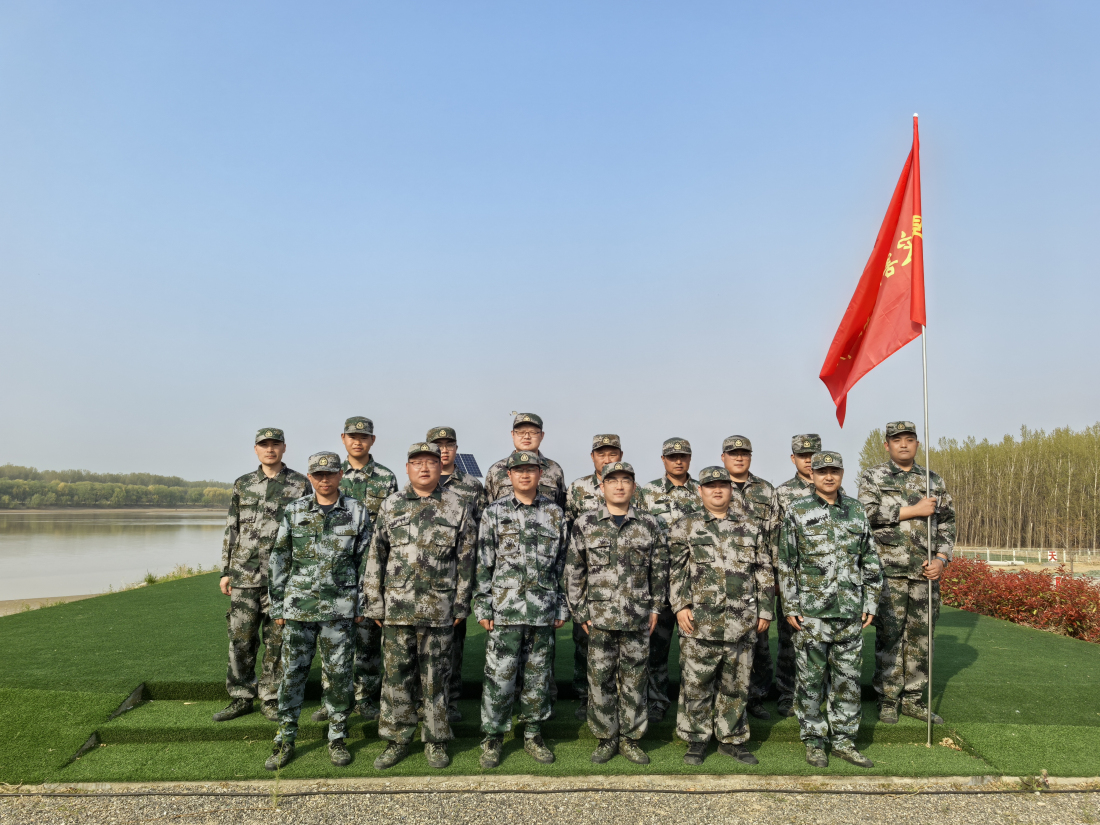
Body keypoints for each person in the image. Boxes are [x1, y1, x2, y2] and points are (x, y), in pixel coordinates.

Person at [362, 442, 477, 770]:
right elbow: (376, 555)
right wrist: (374, 603)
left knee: (436, 677)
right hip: (397, 609)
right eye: (417, 462)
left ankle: (436, 740)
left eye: (430, 462)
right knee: (396, 676)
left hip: (439, 609)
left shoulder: (457, 505)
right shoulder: (392, 504)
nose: (424, 468)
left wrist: (461, 604)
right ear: (407, 468)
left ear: (441, 467)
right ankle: (397, 739)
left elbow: (466, 559)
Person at [264, 451, 370, 770]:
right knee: (292, 674)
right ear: (310, 477)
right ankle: (285, 738)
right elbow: (280, 558)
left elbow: (366, 561)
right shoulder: (295, 510)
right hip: (300, 607)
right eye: (318, 475)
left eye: (330, 474)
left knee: (339, 676)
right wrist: (278, 604)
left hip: (340, 608)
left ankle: (337, 737)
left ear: (340, 475)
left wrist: (361, 603)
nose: (324, 480)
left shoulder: (356, 511)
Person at [777, 451, 883, 769]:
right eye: (822, 471)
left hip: (849, 612)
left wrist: (870, 601)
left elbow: (870, 559)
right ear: (812, 475)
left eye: (834, 471)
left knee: (847, 680)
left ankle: (844, 741)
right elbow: (786, 562)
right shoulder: (797, 510)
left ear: (841, 474)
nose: (828, 476)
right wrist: (790, 604)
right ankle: (814, 741)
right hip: (812, 613)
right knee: (810, 680)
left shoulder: (856, 510)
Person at [565, 461, 668, 766]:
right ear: (602, 486)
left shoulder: (649, 524)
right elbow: (574, 569)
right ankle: (606, 737)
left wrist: (655, 607)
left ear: (634, 487)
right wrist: (580, 611)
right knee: (600, 679)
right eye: (613, 480)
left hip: (637, 616)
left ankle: (631, 738)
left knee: (635, 678)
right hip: (599, 618)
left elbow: (658, 569)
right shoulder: (585, 523)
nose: (619, 486)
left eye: (625, 480)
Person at [669, 466, 771, 766]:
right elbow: (675, 571)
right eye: (710, 486)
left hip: (741, 621)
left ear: (731, 490)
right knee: (696, 683)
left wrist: (765, 609)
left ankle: (732, 739)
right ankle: (696, 739)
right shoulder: (685, 526)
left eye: (723, 485)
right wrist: (680, 606)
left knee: (736, 685)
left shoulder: (751, 526)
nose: (717, 490)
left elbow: (764, 570)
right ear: (700, 490)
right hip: (700, 622)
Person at [474, 450, 569, 768]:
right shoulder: (494, 513)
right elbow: (484, 563)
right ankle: (493, 737)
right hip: (505, 610)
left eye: (531, 469)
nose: (525, 474)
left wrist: (560, 605)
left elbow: (561, 564)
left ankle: (533, 733)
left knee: (538, 677)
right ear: (509, 475)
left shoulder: (555, 514)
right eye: (519, 470)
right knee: (499, 677)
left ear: (541, 474)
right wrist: (483, 605)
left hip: (542, 610)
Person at [857, 421, 956, 725]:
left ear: (917, 444)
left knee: (921, 638)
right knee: (890, 636)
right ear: (886, 445)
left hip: (924, 574)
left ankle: (913, 698)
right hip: (889, 573)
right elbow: (865, 514)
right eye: (896, 440)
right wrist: (912, 510)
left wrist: (941, 559)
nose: (903, 445)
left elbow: (947, 523)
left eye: (909, 440)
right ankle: (888, 698)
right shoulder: (873, 477)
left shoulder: (932, 481)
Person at [215, 428, 311, 724]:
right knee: (240, 639)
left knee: (277, 640)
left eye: (275, 444)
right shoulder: (243, 484)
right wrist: (225, 571)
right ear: (256, 449)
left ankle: (270, 697)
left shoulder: (300, 484)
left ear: (284, 448)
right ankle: (241, 696)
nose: (270, 449)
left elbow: (308, 530)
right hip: (244, 575)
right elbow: (232, 527)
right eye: (264, 445)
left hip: (282, 578)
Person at [312, 416, 398, 724]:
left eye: (364, 436)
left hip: (371, 572)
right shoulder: (331, 474)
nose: (358, 441)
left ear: (372, 440)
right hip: (334, 573)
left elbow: (391, 526)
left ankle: (365, 698)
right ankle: (333, 698)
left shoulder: (386, 478)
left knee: (367, 640)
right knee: (332, 639)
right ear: (343, 439)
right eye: (352, 436)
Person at [634, 437, 702, 723]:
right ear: (663, 459)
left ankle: (695, 706)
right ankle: (657, 702)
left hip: (695, 584)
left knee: (696, 652)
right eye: (672, 457)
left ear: (690, 458)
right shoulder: (647, 493)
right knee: (656, 650)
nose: (678, 461)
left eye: (683, 456)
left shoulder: (702, 490)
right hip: (659, 582)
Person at [429, 425, 489, 724]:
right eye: (438, 445)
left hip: (456, 577)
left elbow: (481, 532)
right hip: (421, 579)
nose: (443, 450)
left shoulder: (472, 486)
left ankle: (450, 702)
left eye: (449, 444)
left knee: (453, 645)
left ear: (456, 448)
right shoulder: (418, 482)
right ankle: (421, 702)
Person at [762, 434, 824, 718]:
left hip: (824, 580)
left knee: (822, 638)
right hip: (793, 580)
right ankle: (787, 693)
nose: (809, 461)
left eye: (813, 455)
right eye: (803, 456)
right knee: (790, 639)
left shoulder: (833, 487)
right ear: (793, 459)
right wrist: (778, 576)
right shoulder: (783, 493)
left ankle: (816, 692)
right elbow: (774, 536)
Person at [562, 433, 623, 720]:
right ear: (592, 457)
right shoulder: (578, 488)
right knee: (584, 641)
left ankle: (619, 698)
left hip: (622, 580)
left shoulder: (629, 486)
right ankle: (585, 696)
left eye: (612, 453)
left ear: (620, 456)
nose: (607, 459)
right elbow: (567, 531)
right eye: (601, 454)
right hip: (588, 580)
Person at [721, 435, 778, 721]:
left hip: (758, 576)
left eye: (744, 453)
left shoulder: (766, 490)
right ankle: (723, 699)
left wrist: (774, 578)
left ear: (751, 457)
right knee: (723, 644)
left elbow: (775, 535)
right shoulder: (714, 486)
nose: (739, 457)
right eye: (733, 454)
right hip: (722, 579)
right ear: (723, 458)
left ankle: (755, 697)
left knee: (759, 643)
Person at [484, 413, 566, 509]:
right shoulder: (496, 470)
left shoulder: (554, 469)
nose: (526, 436)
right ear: (512, 434)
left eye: (533, 432)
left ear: (542, 435)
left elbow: (561, 509)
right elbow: (488, 509)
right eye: (521, 432)